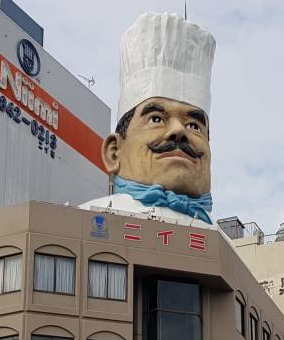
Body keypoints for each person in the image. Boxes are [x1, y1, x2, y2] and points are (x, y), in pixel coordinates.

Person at [81, 12, 216, 227]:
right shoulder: (85, 224)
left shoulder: (225, 247)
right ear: (114, 151)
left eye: (194, 125)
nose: (179, 131)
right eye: (156, 119)